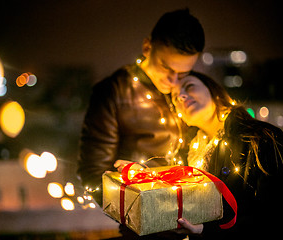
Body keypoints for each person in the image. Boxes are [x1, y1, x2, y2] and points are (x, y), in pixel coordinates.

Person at [77, 8, 204, 204]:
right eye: (166, 67)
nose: (173, 80)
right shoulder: (114, 91)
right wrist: (144, 208)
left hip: (193, 211)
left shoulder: (193, 88)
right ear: (147, 47)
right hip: (140, 221)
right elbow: (93, 173)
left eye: (183, 73)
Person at [171, 72, 283, 240]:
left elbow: (276, 221)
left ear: (214, 91)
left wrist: (206, 230)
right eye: (174, 97)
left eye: (189, 86)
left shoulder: (261, 137)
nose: (181, 96)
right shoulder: (186, 153)